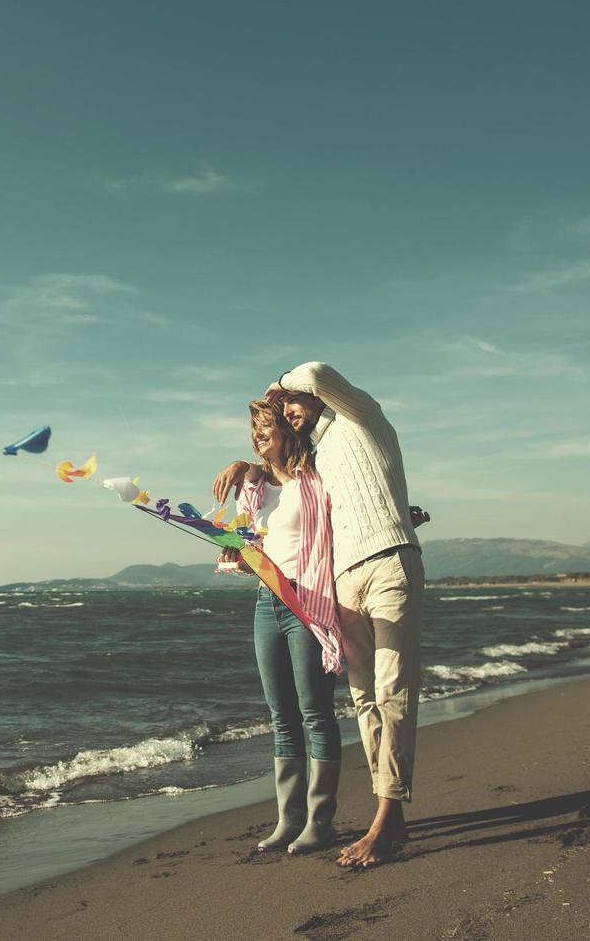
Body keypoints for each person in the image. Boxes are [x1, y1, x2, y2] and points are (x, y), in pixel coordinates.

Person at [214, 362, 426, 869]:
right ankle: (298, 817)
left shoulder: (354, 424)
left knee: (375, 696)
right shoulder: (267, 481)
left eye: (279, 419)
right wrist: (233, 539)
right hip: (302, 592)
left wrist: (277, 389)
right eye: (260, 428)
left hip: (324, 595)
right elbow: (255, 540)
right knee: (341, 702)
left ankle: (346, 817)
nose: (267, 432)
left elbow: (316, 375)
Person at [218, 399, 344, 855]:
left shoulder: (317, 477)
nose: (257, 436)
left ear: (288, 431)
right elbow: (251, 544)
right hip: (266, 602)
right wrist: (238, 553)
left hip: (308, 600)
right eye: (253, 430)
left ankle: (320, 821)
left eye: (265, 426)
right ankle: (287, 820)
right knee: (280, 716)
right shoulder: (252, 487)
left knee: (315, 712)